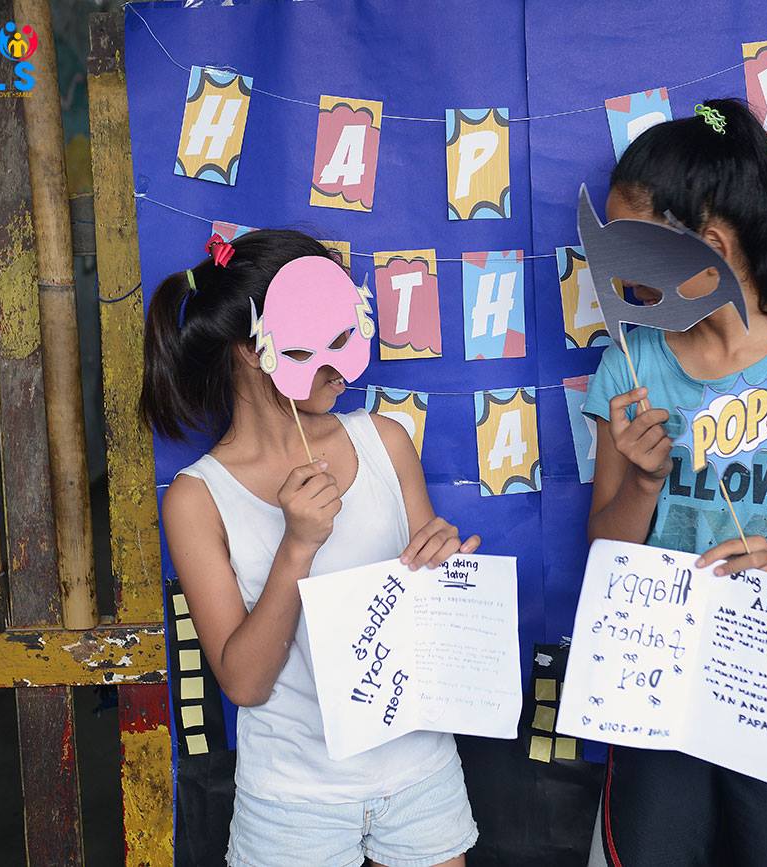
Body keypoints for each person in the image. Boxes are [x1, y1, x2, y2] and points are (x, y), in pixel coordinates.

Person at [583, 99, 767, 866]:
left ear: (713, 244)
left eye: (631, 249)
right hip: (652, 695)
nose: (616, 274)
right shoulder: (630, 366)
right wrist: (643, 483)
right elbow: (603, 550)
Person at [141, 229, 480, 867]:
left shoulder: (385, 441)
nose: (340, 362)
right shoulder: (197, 498)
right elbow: (244, 682)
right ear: (252, 349)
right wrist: (296, 548)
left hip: (419, 772)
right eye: (313, 333)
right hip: (291, 800)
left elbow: (429, 628)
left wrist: (445, 571)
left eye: (344, 328)